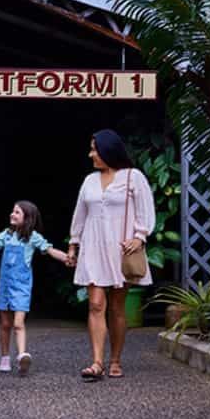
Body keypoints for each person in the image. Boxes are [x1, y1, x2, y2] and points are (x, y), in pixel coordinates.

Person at [65, 129, 155, 381]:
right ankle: (96, 362)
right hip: (93, 247)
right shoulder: (89, 181)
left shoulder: (133, 177)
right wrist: (74, 243)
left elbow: (145, 211)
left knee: (116, 306)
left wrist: (140, 237)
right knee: (95, 303)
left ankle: (115, 359)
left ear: (108, 150)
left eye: (94, 148)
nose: (91, 153)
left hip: (121, 248)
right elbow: (80, 213)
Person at [0, 201, 69, 376]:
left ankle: (22, 355)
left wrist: (66, 258)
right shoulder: (6, 235)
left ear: (27, 218)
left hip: (22, 287)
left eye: (17, 212)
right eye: (12, 211)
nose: (12, 214)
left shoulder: (33, 237)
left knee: (18, 323)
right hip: (5, 286)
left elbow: (50, 249)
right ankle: (5, 358)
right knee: (5, 324)